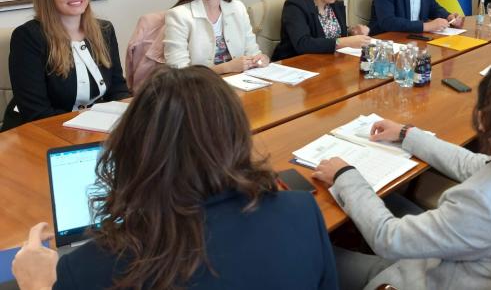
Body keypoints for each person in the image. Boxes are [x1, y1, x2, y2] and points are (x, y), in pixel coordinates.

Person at [11, 66, 338, 289]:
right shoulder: (302, 212)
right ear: (236, 135)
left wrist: (37, 284)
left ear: (134, 148)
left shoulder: (91, 267)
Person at [313, 60, 491, 290]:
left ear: (482, 118)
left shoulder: (483, 203)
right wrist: (406, 134)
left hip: (424, 277)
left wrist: (345, 176)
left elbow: (387, 237)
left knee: (310, 252)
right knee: (387, 201)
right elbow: (470, 163)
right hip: (465, 258)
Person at [2, 0, 129, 131]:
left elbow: (118, 88)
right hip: (37, 131)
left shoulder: (104, 30)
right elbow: (36, 112)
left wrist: (128, 116)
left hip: (92, 129)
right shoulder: (28, 37)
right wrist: (88, 126)